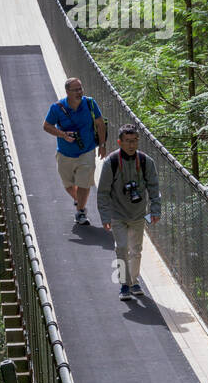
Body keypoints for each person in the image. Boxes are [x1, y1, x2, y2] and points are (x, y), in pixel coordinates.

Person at [97, 124, 161, 300]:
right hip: (117, 213)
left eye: (134, 141)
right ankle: (125, 284)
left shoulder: (146, 161)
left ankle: (135, 281)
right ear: (119, 142)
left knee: (137, 250)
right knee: (122, 247)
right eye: (127, 141)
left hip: (138, 214)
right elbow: (103, 191)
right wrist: (104, 216)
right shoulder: (111, 162)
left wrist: (155, 210)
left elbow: (154, 188)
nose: (131, 145)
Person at [43, 78, 107, 226]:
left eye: (80, 89)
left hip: (87, 151)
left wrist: (102, 144)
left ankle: (81, 211)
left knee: (84, 184)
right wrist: (63, 135)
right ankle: (79, 200)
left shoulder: (90, 103)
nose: (79, 92)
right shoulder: (57, 108)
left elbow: (100, 123)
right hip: (65, 153)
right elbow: (46, 126)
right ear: (67, 92)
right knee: (68, 185)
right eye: (75, 90)